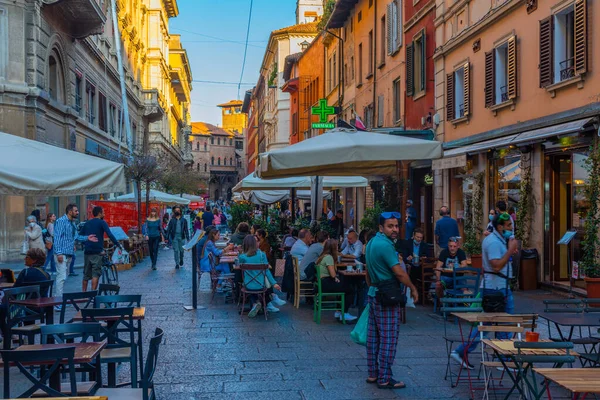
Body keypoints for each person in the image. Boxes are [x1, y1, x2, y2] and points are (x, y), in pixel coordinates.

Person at [451, 212, 519, 370]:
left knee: (498, 324)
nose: (512, 228)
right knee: (501, 323)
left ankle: (500, 356)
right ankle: (501, 357)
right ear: (500, 227)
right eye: (509, 225)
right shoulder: (494, 242)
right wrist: (509, 251)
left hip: (499, 287)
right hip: (496, 289)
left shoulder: (498, 240)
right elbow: (495, 265)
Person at [365, 212, 418, 389]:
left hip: (373, 293)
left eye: (396, 226)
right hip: (387, 297)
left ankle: (373, 374)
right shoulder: (385, 245)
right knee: (388, 338)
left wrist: (371, 286)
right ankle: (385, 378)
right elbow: (399, 272)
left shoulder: (372, 242)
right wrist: (412, 287)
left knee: (373, 338)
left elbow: (367, 271)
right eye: (390, 226)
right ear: (381, 227)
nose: (395, 229)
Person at [53, 204, 98, 308]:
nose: (78, 212)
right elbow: (57, 238)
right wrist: (59, 253)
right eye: (76, 211)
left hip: (68, 253)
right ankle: (57, 302)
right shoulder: (61, 221)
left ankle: (59, 300)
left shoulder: (72, 223)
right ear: (70, 212)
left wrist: (87, 238)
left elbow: (76, 237)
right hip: (62, 253)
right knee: (61, 277)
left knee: (64, 277)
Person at [239, 235, 285, 317]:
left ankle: (255, 304)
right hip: (260, 285)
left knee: (249, 285)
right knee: (259, 285)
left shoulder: (242, 257)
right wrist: (274, 283)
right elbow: (267, 271)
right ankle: (268, 301)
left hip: (248, 285)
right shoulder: (262, 255)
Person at [80, 206, 122, 291]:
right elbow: (109, 234)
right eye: (103, 212)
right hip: (97, 252)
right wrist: (117, 244)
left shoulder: (87, 223)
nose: (104, 213)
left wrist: (86, 244)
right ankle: (93, 294)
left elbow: (80, 236)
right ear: (99, 213)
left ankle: (83, 294)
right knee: (95, 273)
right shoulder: (102, 222)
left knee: (86, 274)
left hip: (87, 252)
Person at [316, 239, 357, 322]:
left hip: (322, 283)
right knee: (350, 289)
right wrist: (335, 277)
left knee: (344, 286)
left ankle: (339, 312)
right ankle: (344, 313)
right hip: (326, 283)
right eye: (337, 246)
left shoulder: (323, 256)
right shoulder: (329, 257)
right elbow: (333, 274)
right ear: (333, 248)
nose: (338, 248)